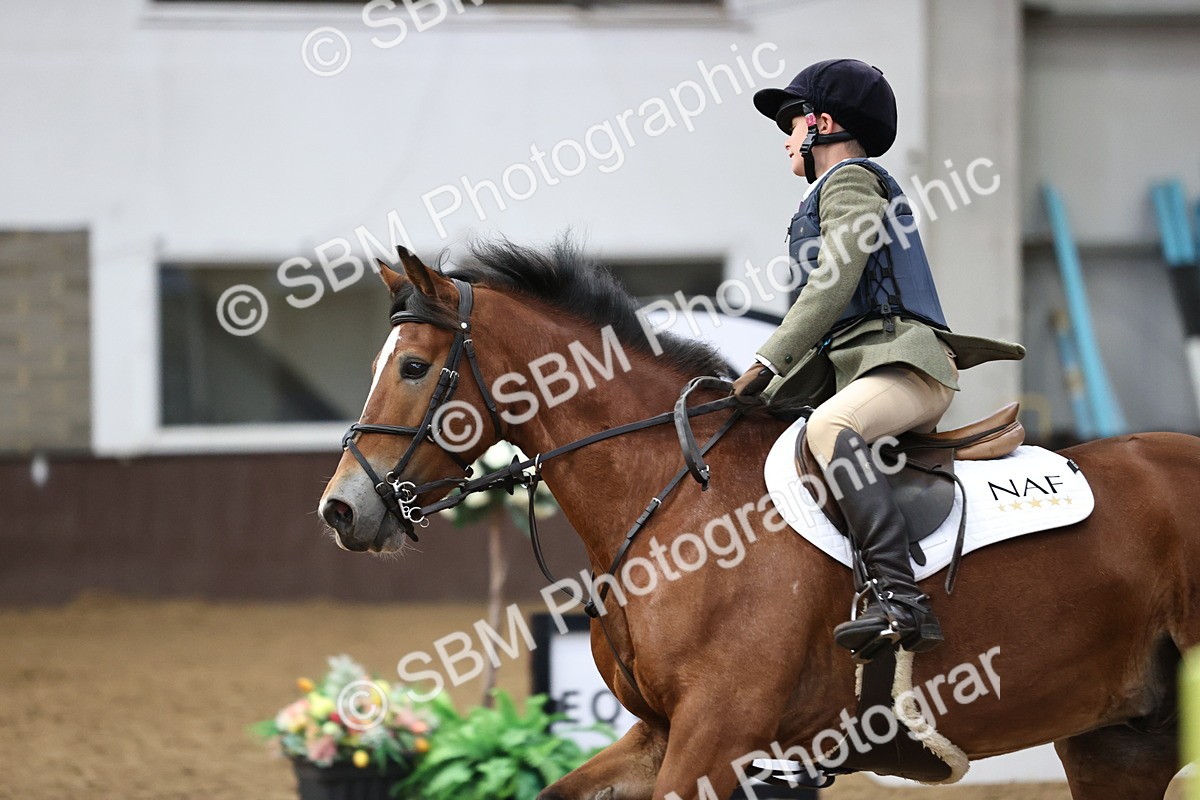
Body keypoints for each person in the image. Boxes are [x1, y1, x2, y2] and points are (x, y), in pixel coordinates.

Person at [732, 59, 1025, 660]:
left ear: (821, 123)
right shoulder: (821, 195)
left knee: (831, 427)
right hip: (867, 369)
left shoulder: (849, 182)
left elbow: (835, 278)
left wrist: (766, 362)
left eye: (791, 123)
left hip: (907, 366)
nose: (785, 139)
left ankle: (900, 598)